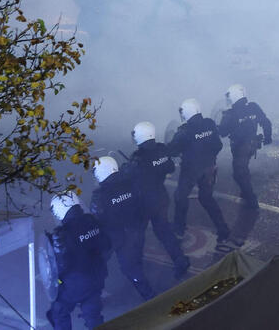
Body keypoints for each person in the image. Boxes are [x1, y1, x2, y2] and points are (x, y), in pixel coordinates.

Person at [125, 121, 191, 278]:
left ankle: (137, 267)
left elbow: (129, 178)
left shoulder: (138, 157)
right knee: (164, 231)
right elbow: (171, 168)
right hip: (161, 197)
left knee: (137, 234)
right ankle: (180, 260)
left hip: (144, 202)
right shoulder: (162, 149)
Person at [168, 99, 235, 246]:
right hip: (209, 168)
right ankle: (223, 230)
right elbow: (218, 145)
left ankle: (179, 230)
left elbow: (171, 151)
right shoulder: (210, 124)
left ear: (185, 113)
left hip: (190, 171)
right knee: (206, 198)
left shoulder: (184, 132)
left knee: (180, 197)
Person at [89, 156, 154, 300]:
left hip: (113, 236)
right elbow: (143, 206)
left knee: (97, 263)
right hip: (135, 230)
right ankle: (147, 292)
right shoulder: (131, 184)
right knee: (134, 263)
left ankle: (151, 298)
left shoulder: (100, 195)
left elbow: (96, 219)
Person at [46, 192, 111, 330]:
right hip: (97, 278)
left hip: (76, 284)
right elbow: (107, 245)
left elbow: (61, 266)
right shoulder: (92, 221)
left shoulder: (63, 235)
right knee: (93, 317)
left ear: (59, 209)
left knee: (59, 312)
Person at [218, 84, 272, 208]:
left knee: (238, 174)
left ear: (234, 95)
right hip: (253, 145)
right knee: (244, 168)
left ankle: (252, 201)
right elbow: (266, 122)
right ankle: (245, 190)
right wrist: (268, 137)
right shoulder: (253, 107)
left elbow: (223, 132)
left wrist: (218, 124)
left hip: (240, 148)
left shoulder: (230, 114)